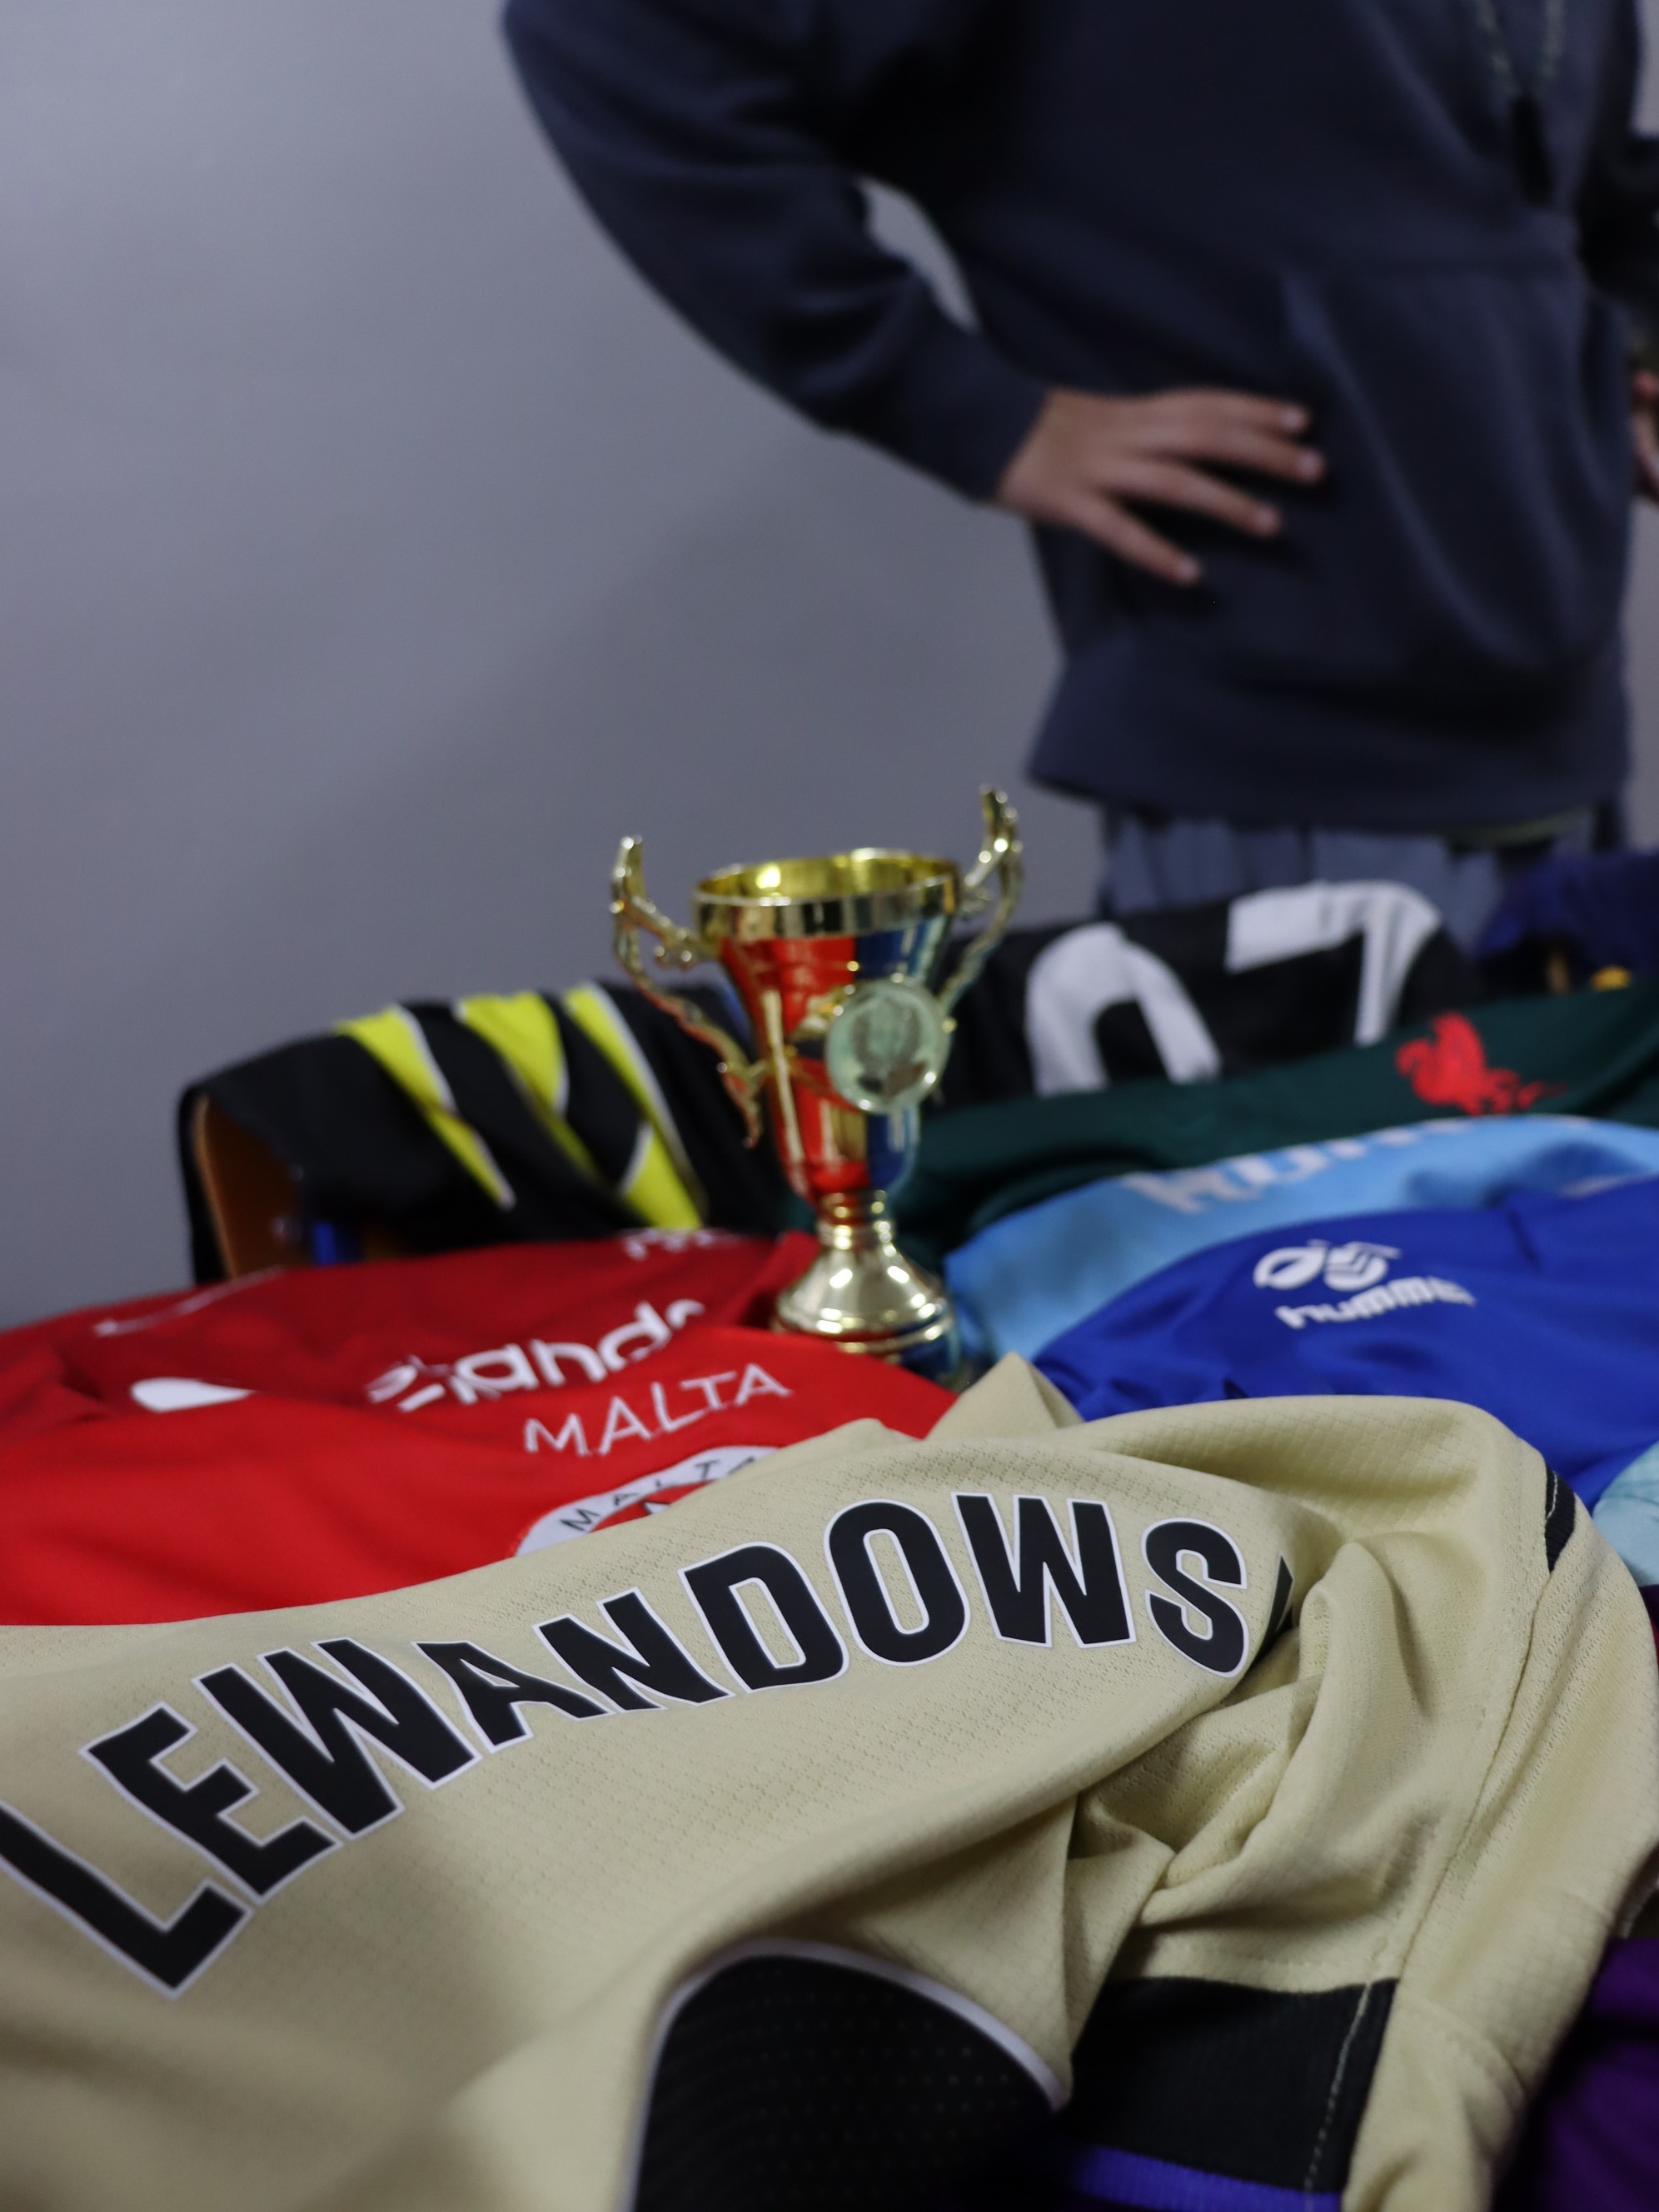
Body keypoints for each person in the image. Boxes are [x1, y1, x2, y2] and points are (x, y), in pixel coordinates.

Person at [503, 0, 1659, 942]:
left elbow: (1581, 192)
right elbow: (613, 29)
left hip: (1570, 746)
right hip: (1285, 776)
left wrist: (1634, 340)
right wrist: (967, 410)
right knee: (1321, 1174)